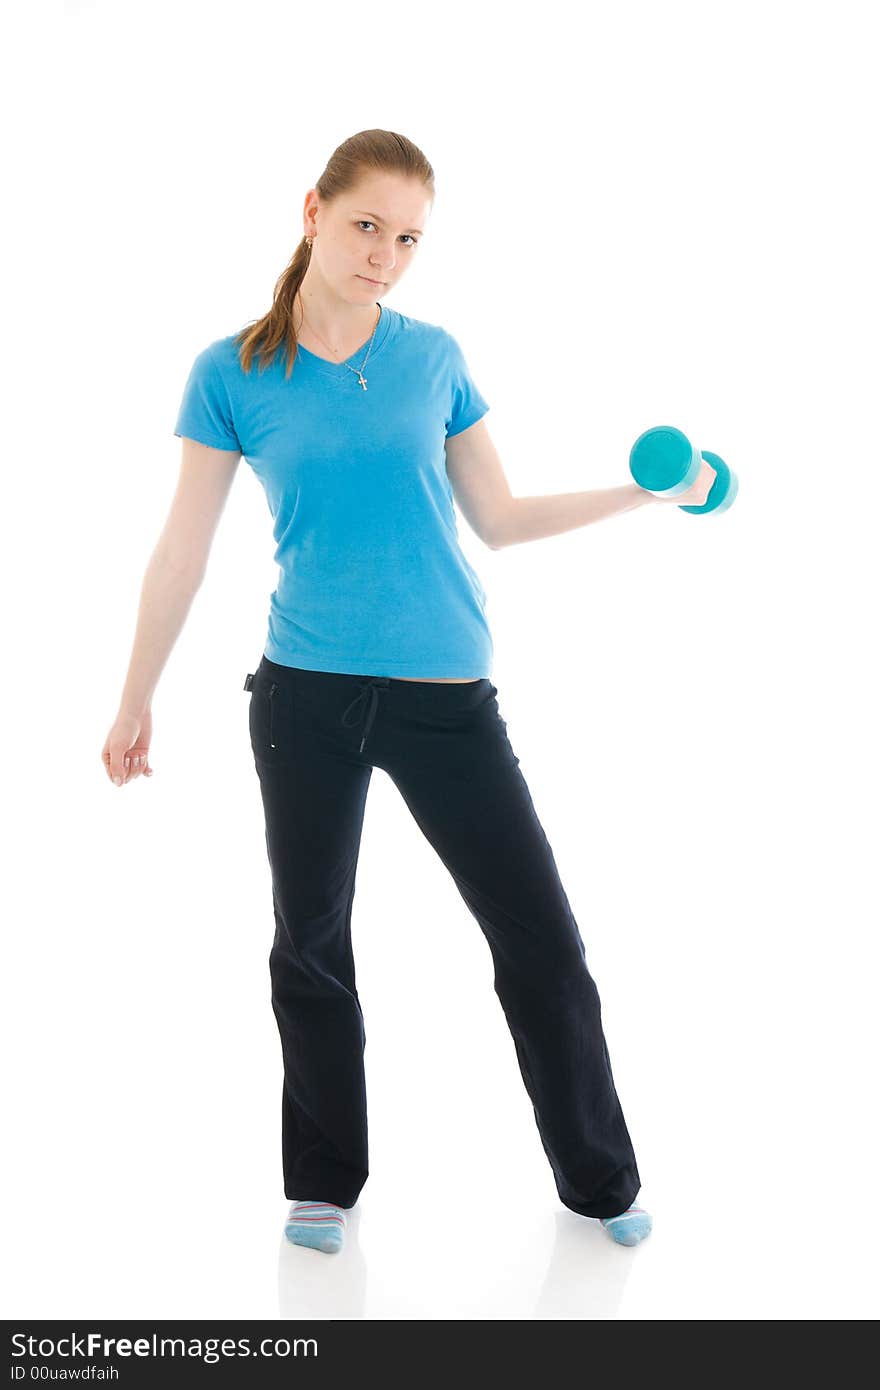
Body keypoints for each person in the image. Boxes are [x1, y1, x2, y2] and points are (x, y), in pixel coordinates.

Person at [102, 128, 714, 1257]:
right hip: (304, 700)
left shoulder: (434, 356)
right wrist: (135, 696)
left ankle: (598, 1176)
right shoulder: (231, 370)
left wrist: (642, 495)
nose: (384, 254)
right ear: (314, 213)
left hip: (446, 698)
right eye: (367, 225)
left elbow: (501, 517)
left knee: (542, 940)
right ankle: (322, 1180)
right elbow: (181, 550)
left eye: (408, 238)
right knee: (311, 940)